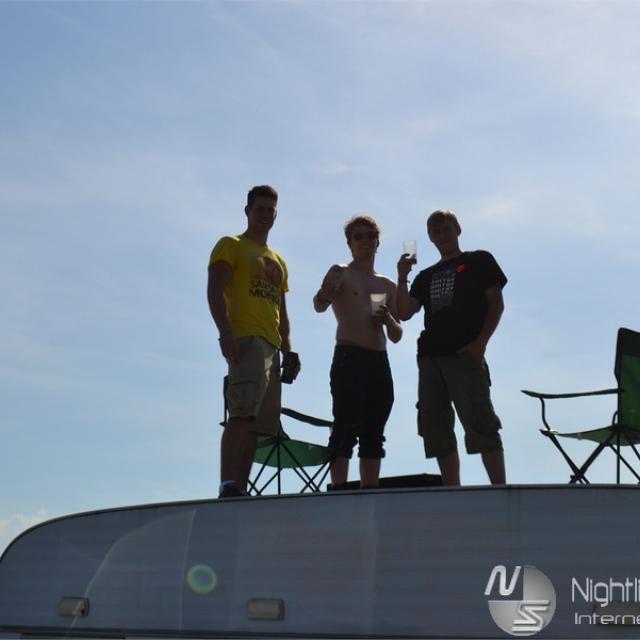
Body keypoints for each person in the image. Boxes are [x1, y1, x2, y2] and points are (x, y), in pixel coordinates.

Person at [396, 209, 507, 486]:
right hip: (430, 357)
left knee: (481, 421)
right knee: (435, 426)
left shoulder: (479, 260)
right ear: (430, 237)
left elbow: (496, 302)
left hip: (464, 353)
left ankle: (499, 489)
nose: (442, 235)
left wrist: (481, 343)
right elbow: (404, 311)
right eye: (436, 231)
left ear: (458, 229)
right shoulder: (425, 276)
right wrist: (402, 276)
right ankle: (451, 491)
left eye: (446, 228)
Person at [207, 185, 298, 498]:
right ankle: (227, 484)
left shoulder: (278, 261)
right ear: (247, 211)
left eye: (271, 210)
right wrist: (225, 332)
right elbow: (214, 290)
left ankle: (241, 489)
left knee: (258, 425)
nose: (265, 215)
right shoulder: (231, 245)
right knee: (241, 413)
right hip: (245, 338)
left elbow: (281, 311)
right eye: (260, 209)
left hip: (273, 346)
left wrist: (289, 351)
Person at [314, 215, 402, 489]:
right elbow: (319, 304)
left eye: (370, 236)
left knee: (374, 432)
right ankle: (339, 491)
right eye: (358, 236)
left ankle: (369, 491)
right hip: (349, 357)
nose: (365, 241)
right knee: (345, 428)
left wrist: (388, 320)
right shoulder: (341, 272)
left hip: (379, 360)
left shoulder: (386, 285)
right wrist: (325, 293)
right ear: (350, 243)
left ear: (378, 242)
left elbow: (397, 335)